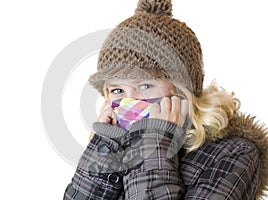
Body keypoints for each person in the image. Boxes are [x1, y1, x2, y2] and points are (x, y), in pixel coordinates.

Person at [63, 0, 268, 199]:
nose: (128, 101)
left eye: (145, 86)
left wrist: (154, 144)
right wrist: (105, 146)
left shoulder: (234, 154)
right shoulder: (115, 145)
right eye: (117, 90)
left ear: (181, 90)